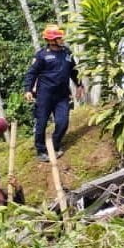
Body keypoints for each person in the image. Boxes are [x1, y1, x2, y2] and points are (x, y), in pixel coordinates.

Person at [23, 25, 83, 162]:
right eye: (59, 37)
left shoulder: (67, 53)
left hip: (62, 96)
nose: (62, 39)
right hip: (45, 95)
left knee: (63, 122)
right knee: (41, 123)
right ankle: (41, 150)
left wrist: (79, 85)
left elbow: (74, 71)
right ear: (51, 40)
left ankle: (55, 145)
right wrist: (28, 89)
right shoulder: (42, 55)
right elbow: (31, 73)